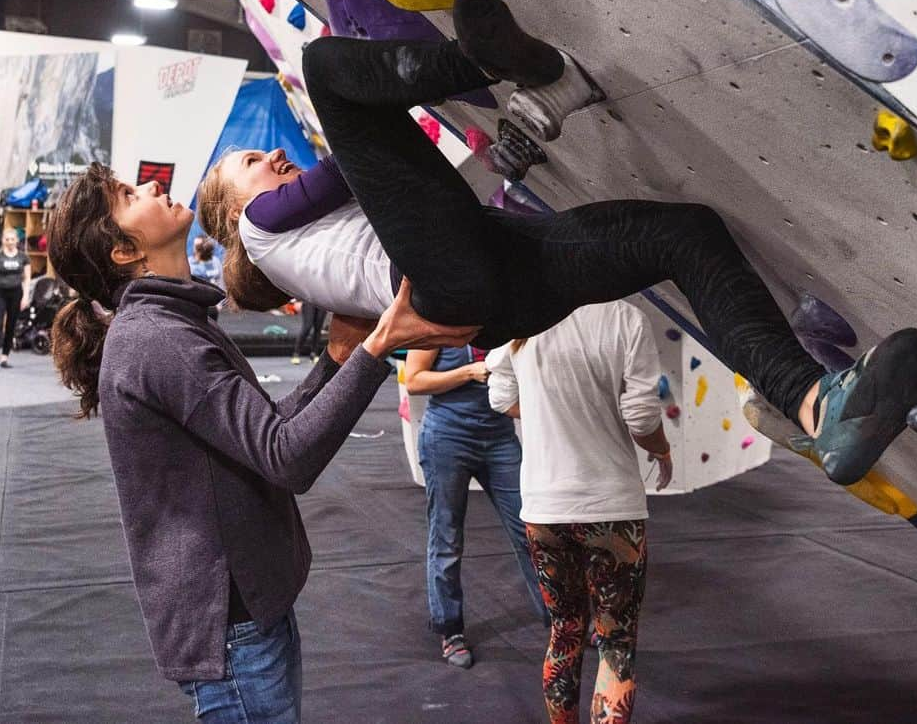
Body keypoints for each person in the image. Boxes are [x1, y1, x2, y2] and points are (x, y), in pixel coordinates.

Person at [196, 0, 917, 488]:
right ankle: (490, 61)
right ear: (233, 214)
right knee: (325, 67)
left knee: (683, 234)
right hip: (453, 276)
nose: (271, 158)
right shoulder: (263, 232)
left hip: (495, 281)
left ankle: (813, 404)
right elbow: (345, 164)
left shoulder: (306, 244)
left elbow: (380, 171)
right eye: (251, 165)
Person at [46, 164, 478, 724]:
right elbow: (286, 456)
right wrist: (378, 346)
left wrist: (338, 357)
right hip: (233, 630)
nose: (152, 186)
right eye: (130, 195)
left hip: (247, 617)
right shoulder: (159, 338)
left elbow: (260, 432)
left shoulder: (172, 323)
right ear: (123, 251)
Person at [486, 300, 669, 724]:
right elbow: (641, 417)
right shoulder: (625, 318)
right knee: (616, 642)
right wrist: (661, 449)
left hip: (544, 507)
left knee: (565, 630)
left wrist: (550, 409)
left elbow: (500, 398)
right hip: (612, 506)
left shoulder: (524, 317)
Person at [404, 342, 547, 669]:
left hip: (499, 437)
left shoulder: (505, 319)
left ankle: (560, 616)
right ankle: (450, 629)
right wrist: (469, 371)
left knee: (533, 531)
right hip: (448, 437)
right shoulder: (440, 320)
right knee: (447, 539)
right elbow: (414, 380)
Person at [0, 227, 31, 372]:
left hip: (16, 294)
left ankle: (4, 356)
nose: (10, 242)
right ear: (3, 240)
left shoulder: (23, 257)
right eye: (7, 239)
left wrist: (25, 296)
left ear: (17, 241)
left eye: (12, 239)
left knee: (11, 325)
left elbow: (27, 279)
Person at [291, 300, 327, 364]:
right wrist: (297, 300)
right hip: (309, 300)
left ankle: (314, 353)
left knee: (318, 328)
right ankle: (296, 353)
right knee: (307, 327)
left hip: (322, 302)